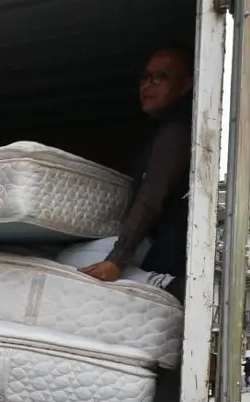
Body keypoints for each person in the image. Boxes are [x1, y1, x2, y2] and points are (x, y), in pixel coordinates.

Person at [79, 48, 194, 292]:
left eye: (160, 77)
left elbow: (150, 197)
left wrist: (116, 260)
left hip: (165, 257)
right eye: (144, 77)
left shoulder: (176, 132)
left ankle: (164, 285)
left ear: (187, 85)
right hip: (163, 252)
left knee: (70, 259)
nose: (147, 86)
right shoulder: (168, 130)